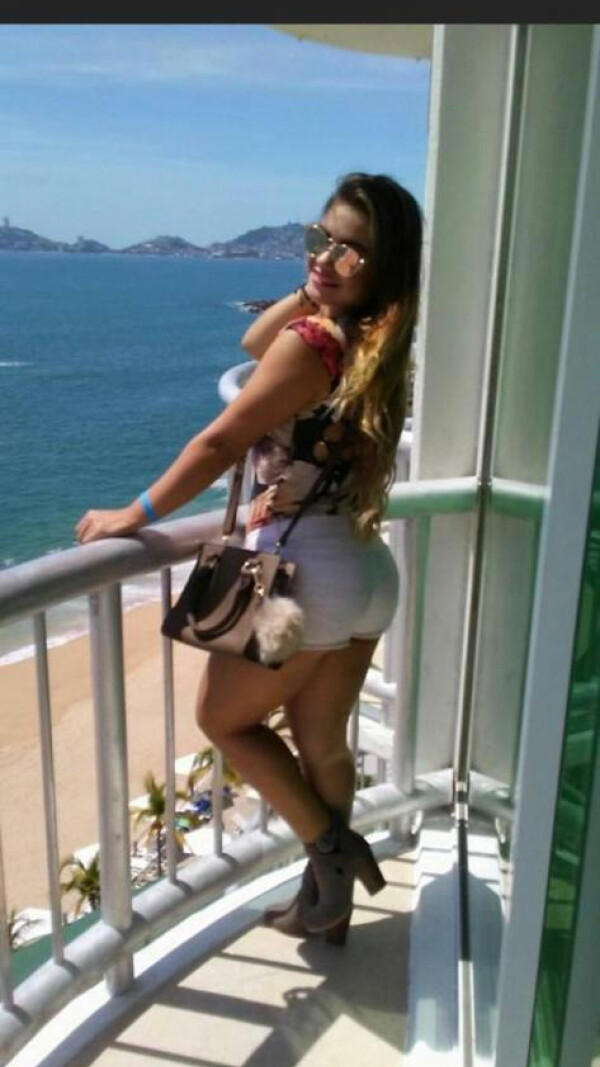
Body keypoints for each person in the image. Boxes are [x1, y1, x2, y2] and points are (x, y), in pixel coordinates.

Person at [76, 172, 422, 946]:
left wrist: (136, 513)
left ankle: (330, 849)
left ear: (385, 268)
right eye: (319, 238)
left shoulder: (316, 345)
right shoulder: (377, 343)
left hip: (305, 580)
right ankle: (327, 906)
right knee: (322, 740)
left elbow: (220, 440)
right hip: (366, 571)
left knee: (220, 719)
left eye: (350, 251)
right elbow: (253, 343)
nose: (325, 257)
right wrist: (318, 285)